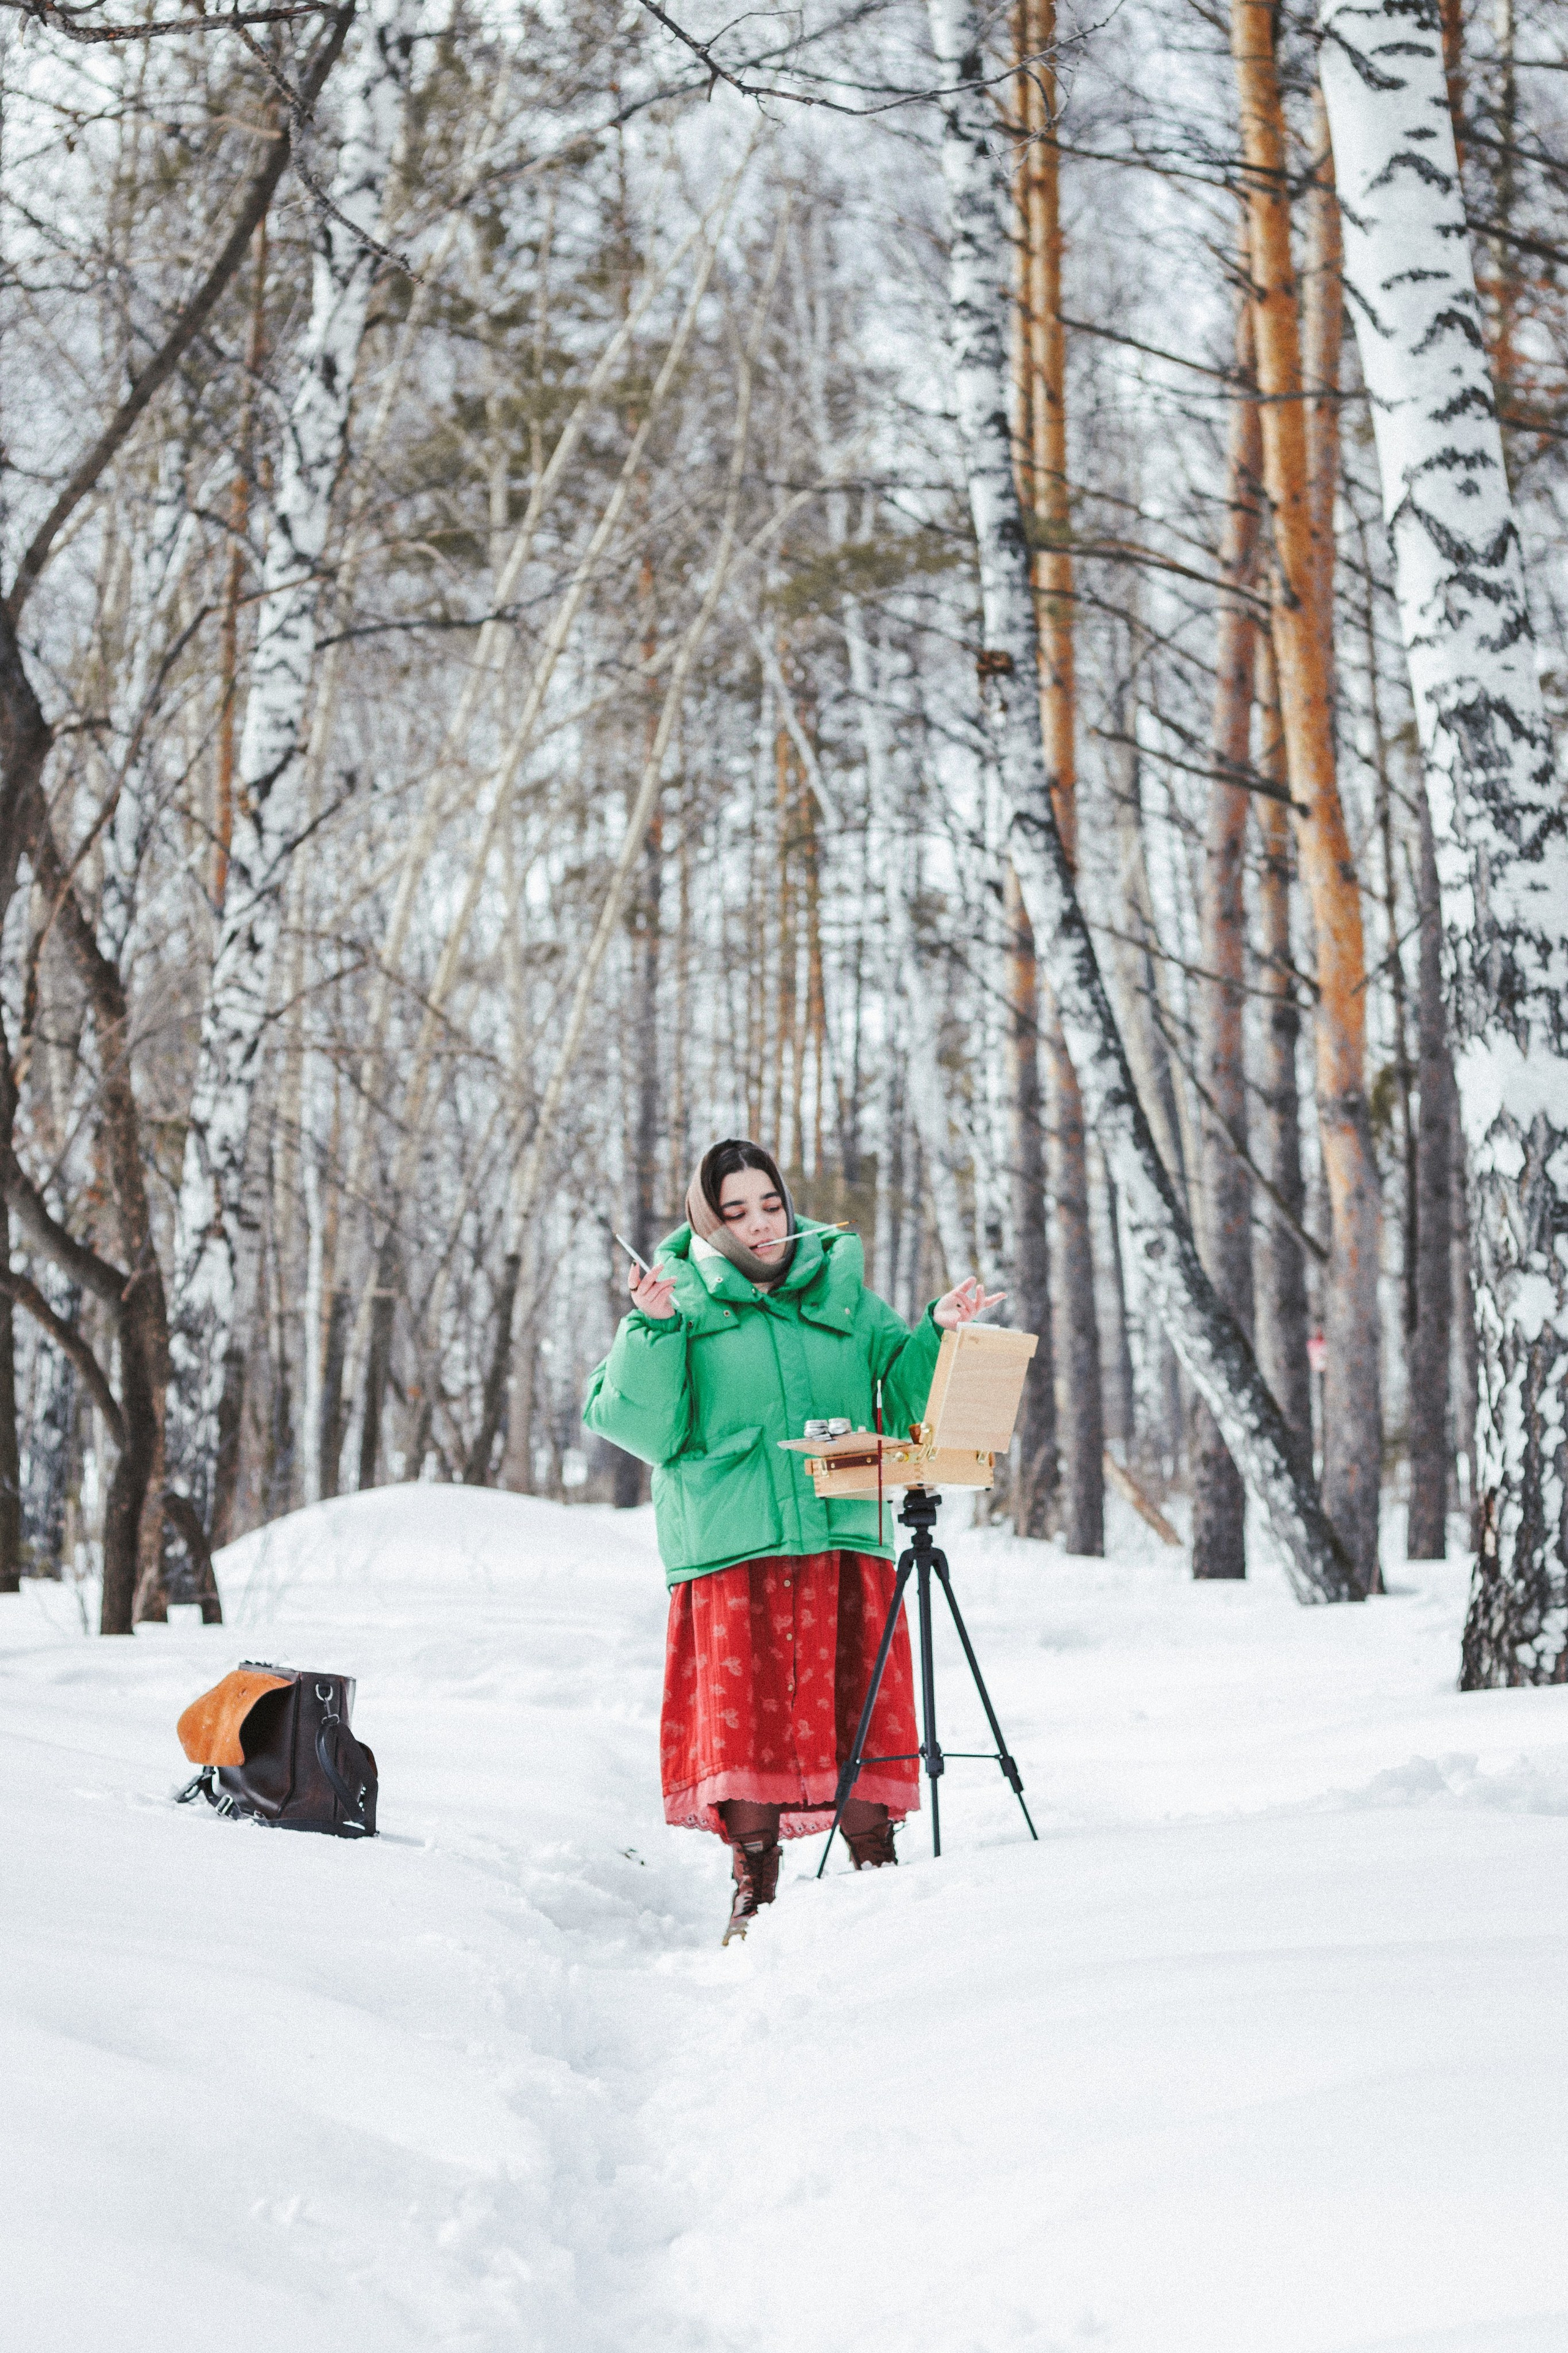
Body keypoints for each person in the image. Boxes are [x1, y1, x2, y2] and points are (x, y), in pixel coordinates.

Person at [583, 1138, 1003, 1944]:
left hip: (843, 1531)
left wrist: (937, 1330)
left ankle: (877, 1861)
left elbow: (905, 1392)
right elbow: (636, 1423)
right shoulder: (681, 1301)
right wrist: (653, 1327)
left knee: (857, 1700)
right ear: (710, 1223)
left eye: (770, 1204)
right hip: (735, 1542)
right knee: (748, 1721)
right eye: (736, 1212)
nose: (760, 1225)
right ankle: (754, 1883)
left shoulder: (841, 1288)